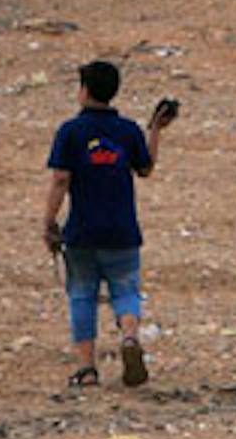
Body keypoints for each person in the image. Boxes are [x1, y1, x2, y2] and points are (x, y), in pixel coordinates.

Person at [43, 60, 176, 388]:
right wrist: (155, 130)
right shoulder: (128, 130)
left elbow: (61, 178)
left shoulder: (70, 132)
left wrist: (48, 221)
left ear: (84, 90)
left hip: (82, 232)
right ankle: (129, 336)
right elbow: (145, 168)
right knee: (126, 290)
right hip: (122, 230)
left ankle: (87, 369)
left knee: (82, 295)